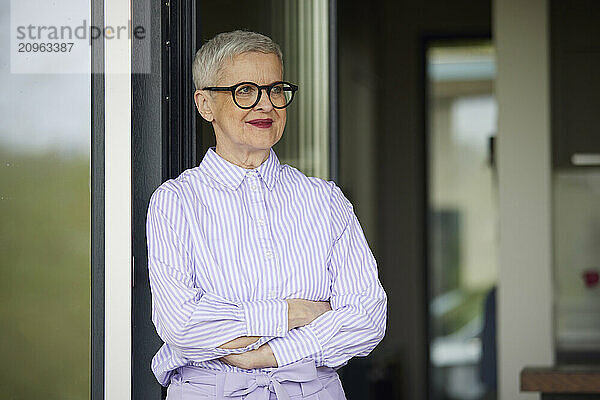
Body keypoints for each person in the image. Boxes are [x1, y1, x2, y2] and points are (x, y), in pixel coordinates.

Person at [146, 30, 387, 400]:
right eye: (245, 90)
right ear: (205, 104)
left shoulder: (325, 200)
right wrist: (293, 313)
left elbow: (367, 319)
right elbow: (182, 327)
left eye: (276, 90)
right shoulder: (176, 202)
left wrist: (272, 353)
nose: (266, 105)